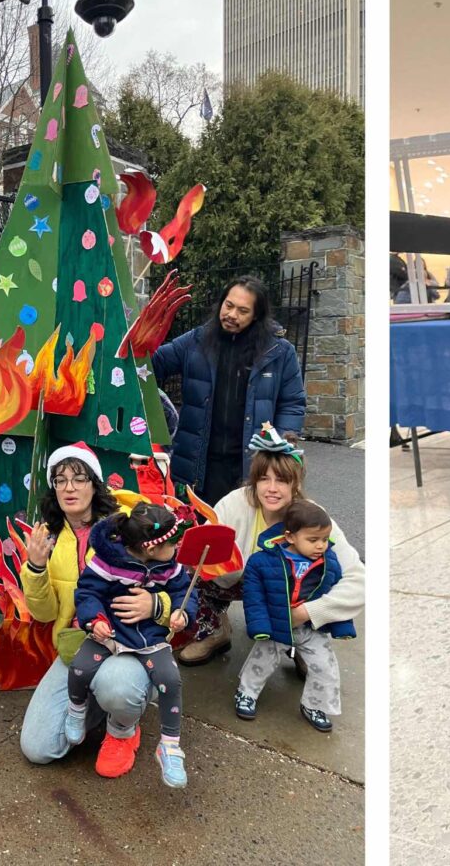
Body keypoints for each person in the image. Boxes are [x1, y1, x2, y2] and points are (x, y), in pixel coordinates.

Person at [19, 442, 179, 779]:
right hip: (80, 646)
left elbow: (176, 578)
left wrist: (156, 606)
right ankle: (98, 700)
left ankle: (123, 727)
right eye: (60, 480)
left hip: (132, 646)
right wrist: (35, 568)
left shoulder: (125, 529)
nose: (69, 488)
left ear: (95, 483)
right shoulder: (49, 537)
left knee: (118, 687)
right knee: (37, 747)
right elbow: (45, 614)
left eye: (79, 478)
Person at [176, 423, 365, 667]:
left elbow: (358, 579)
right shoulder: (234, 505)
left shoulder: (313, 518)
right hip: (239, 582)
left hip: (293, 595)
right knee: (193, 571)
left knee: (325, 572)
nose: (272, 489)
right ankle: (213, 630)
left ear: (296, 484)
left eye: (282, 480)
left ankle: (303, 640)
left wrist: (307, 613)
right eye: (264, 479)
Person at [67, 503, 196, 788]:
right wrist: (94, 619)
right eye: (173, 542)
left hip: (150, 638)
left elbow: (185, 592)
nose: (178, 546)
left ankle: (170, 746)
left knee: (170, 679)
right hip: (110, 632)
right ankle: (76, 710)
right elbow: (88, 591)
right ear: (150, 548)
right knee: (79, 668)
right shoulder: (107, 562)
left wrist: (180, 612)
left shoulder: (171, 566)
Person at [152, 276, 306, 505]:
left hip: (249, 463)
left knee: (242, 533)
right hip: (198, 462)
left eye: (243, 310)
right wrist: (139, 342)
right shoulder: (196, 341)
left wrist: (280, 445)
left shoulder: (278, 352)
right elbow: (153, 365)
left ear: (256, 315)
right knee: (198, 532)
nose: (232, 315)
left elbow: (292, 403)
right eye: (229, 305)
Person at [235, 499, 354, 732]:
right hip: (276, 623)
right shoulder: (263, 562)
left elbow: (335, 592)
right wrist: (260, 625)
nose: (321, 545)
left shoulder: (329, 563)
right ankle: (246, 693)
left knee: (325, 666)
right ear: (290, 537)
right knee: (262, 659)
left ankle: (314, 705)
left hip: (311, 626)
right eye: (313, 540)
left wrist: (342, 626)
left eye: (324, 539)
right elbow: (254, 595)